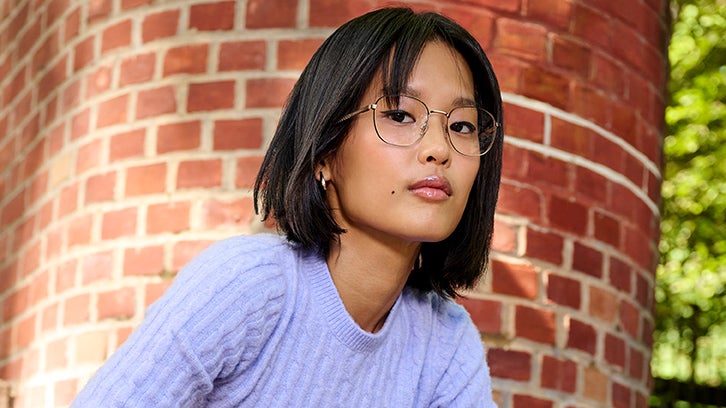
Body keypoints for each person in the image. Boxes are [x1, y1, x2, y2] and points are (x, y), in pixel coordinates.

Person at [72, 6, 502, 407]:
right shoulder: (248, 287)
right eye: (400, 115)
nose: (439, 149)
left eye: (462, 126)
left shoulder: (446, 343)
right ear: (324, 154)